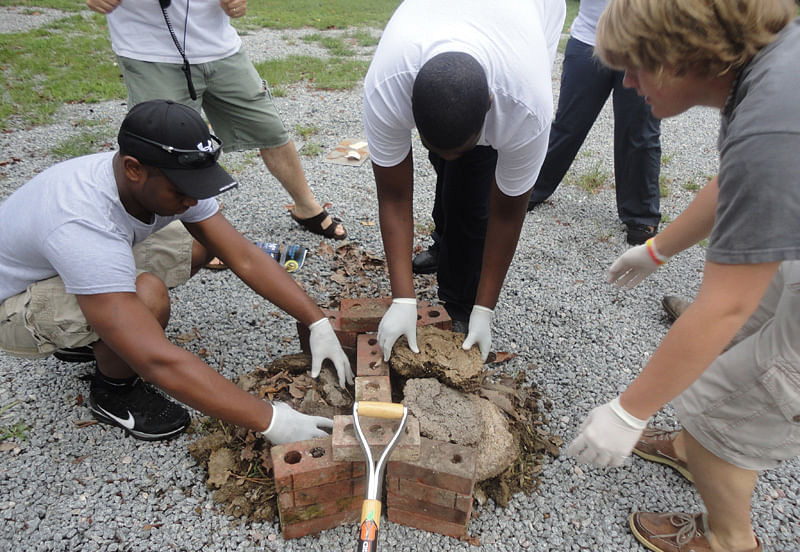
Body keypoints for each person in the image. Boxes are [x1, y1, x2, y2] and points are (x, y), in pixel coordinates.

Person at [566, 0, 799, 552]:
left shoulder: (774, 116)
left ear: (684, 56)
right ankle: (692, 445)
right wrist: (656, 248)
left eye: (636, 66)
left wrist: (629, 410)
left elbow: (724, 304)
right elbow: (734, 182)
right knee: (744, 334)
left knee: (729, 398)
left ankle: (730, 540)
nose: (627, 81)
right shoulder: (765, 71)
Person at [0, 99, 353, 443]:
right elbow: (157, 360)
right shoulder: (82, 221)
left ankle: (95, 335)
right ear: (133, 169)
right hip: (14, 304)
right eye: (182, 190)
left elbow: (241, 255)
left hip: (63, 264)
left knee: (200, 243)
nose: (192, 199)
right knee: (147, 297)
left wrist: (316, 320)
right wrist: (270, 420)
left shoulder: (147, 180)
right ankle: (114, 392)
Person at [363, 0, 566, 361]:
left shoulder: (527, 107)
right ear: (411, 102)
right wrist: (403, 298)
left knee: (474, 185)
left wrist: (484, 308)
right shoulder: (386, 85)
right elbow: (393, 197)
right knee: (453, 170)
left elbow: (507, 213)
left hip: (533, 14)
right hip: (444, 26)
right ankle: (445, 241)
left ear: (490, 104)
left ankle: (461, 300)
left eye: (460, 145)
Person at [86, 0, 347, 242]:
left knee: (270, 130)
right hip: (148, 51)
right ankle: (185, 234)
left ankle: (305, 206)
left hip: (221, 48)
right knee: (164, 152)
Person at [528, 0, 662, 247]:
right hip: (588, 41)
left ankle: (641, 215)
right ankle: (531, 188)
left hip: (646, 48)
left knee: (639, 133)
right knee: (568, 125)